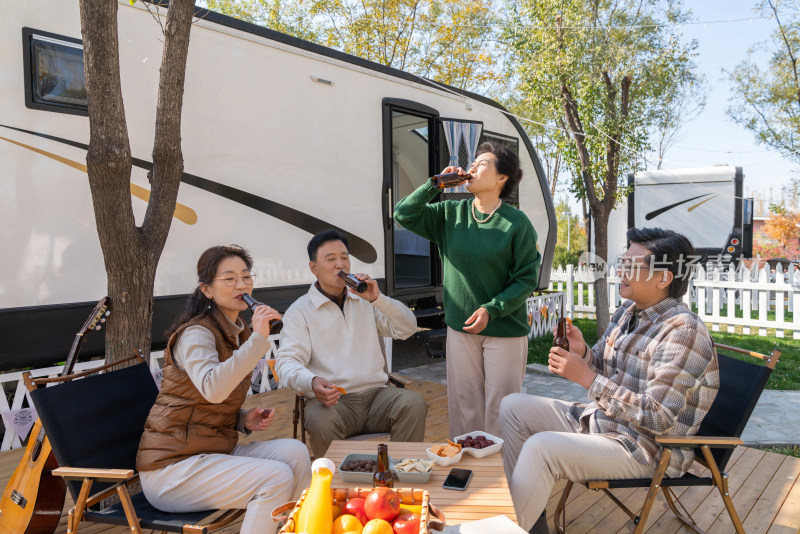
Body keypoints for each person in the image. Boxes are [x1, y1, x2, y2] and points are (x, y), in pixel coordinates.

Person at [499, 228, 719, 533]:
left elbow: (659, 417)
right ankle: (526, 517)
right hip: (604, 422)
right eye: (622, 261)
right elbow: (603, 364)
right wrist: (584, 354)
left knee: (542, 448)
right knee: (513, 406)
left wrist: (587, 378)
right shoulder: (629, 310)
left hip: (645, 449)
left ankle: (509, 526)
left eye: (632, 265)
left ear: (664, 278)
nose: (621, 271)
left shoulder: (683, 331)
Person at [136, 245, 311, 534]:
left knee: (296, 452)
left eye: (246, 276)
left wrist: (241, 419)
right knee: (276, 477)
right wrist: (257, 339)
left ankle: (294, 529)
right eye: (229, 279)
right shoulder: (196, 334)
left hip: (208, 454)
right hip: (171, 471)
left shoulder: (236, 329)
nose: (241, 284)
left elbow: (201, 404)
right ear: (206, 290)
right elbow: (213, 389)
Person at [393, 142, 541, 438]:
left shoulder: (517, 223)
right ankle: (468, 471)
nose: (472, 167)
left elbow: (526, 278)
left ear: (501, 178)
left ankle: (499, 474)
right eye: (473, 162)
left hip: (505, 330)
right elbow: (403, 214)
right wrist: (434, 185)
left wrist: (493, 308)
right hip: (461, 328)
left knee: (501, 408)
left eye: (482, 163)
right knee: (464, 405)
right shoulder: (450, 214)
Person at [275, 229, 428, 458]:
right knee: (319, 420)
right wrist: (312, 381)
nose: (340, 265)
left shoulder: (364, 299)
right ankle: (338, 484)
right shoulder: (300, 310)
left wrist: (378, 299)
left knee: (413, 403)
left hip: (377, 396)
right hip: (334, 401)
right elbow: (286, 363)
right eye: (331, 259)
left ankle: (399, 473)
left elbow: (407, 328)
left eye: (344, 258)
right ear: (313, 268)